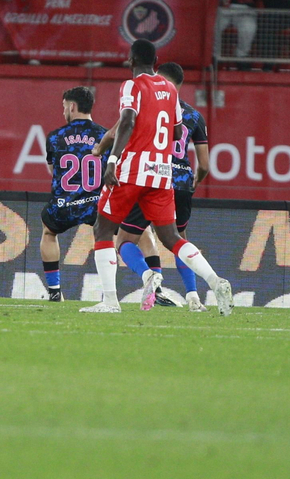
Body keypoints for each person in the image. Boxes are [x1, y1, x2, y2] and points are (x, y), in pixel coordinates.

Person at [81, 38, 233, 315]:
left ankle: (111, 301)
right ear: (156, 63)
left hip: (133, 168)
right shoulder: (170, 90)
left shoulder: (132, 85)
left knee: (103, 229)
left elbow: (126, 121)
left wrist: (112, 160)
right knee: (172, 237)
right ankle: (215, 280)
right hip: (163, 173)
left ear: (131, 60)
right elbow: (176, 132)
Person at [112, 62, 210, 312]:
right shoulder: (195, 116)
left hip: (153, 178)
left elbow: (124, 131)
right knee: (180, 240)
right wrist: (195, 179)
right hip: (182, 183)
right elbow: (205, 163)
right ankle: (193, 296)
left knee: (124, 239)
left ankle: (148, 275)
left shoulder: (149, 103)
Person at [38, 85, 107, 302]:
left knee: (49, 233)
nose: (63, 111)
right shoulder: (105, 135)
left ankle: (55, 290)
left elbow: (53, 171)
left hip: (64, 203)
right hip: (96, 201)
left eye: (64, 106)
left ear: (72, 106)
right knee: (114, 238)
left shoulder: (55, 137)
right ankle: (112, 292)